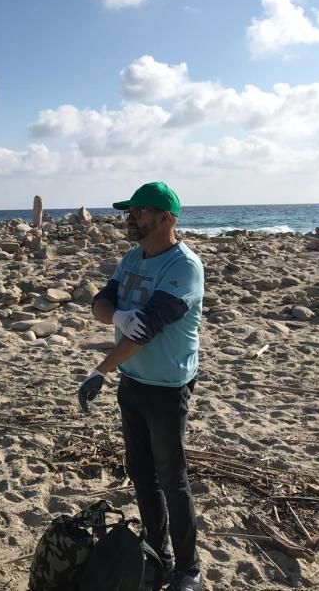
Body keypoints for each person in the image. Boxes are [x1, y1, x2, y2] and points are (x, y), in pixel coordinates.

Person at [78, 181, 205, 591]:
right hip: (132, 382)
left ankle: (188, 570)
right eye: (130, 212)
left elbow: (148, 328)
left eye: (141, 212)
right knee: (141, 473)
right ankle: (157, 555)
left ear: (167, 218)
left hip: (167, 387)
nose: (132, 219)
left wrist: (100, 369)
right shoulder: (132, 257)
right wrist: (115, 317)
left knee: (172, 477)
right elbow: (100, 302)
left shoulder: (184, 267)